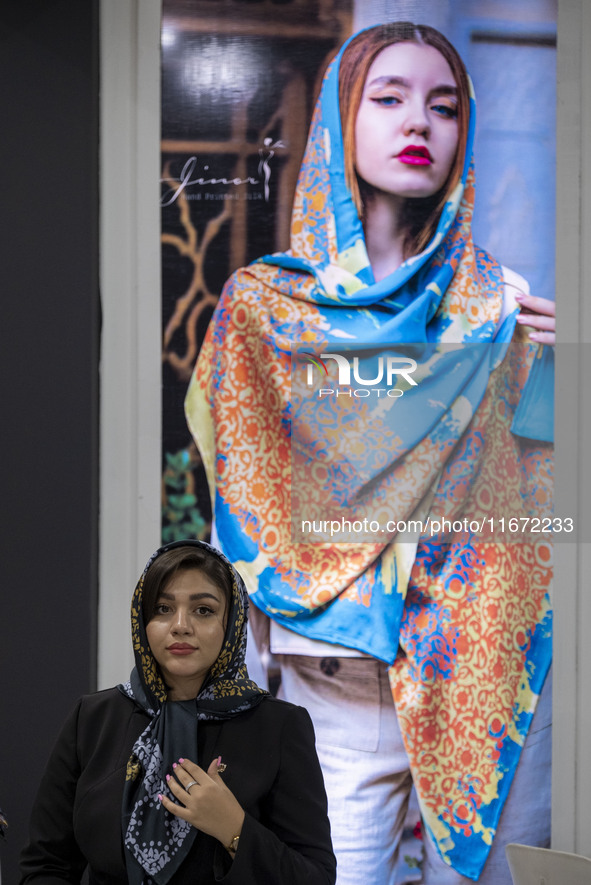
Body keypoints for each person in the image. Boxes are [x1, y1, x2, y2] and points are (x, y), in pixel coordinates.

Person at [185, 22, 554, 885]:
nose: (417, 121)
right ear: (337, 120)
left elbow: (537, 497)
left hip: (477, 679)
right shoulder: (265, 311)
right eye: (386, 98)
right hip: (332, 694)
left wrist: (564, 377)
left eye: (444, 105)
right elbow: (241, 506)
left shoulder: (496, 304)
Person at [20, 540, 336, 885]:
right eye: (162, 608)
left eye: (203, 610)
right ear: (143, 620)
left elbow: (315, 877)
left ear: (230, 623)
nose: (181, 625)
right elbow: (45, 866)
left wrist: (234, 828)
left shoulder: (278, 726)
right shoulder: (94, 719)